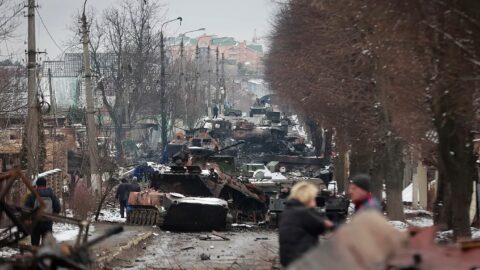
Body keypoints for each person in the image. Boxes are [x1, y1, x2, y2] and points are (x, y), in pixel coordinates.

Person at [279, 182, 334, 267]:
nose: (315, 200)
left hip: (289, 259)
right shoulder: (303, 212)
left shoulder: (289, 211)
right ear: (307, 197)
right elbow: (321, 226)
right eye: (313, 197)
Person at [24, 177, 61, 246]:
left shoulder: (33, 195)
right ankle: (44, 255)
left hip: (36, 223)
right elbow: (57, 207)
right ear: (45, 185)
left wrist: (28, 219)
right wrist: (53, 214)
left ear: (37, 185)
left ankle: (35, 255)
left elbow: (26, 208)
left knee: (35, 244)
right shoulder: (51, 194)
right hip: (48, 222)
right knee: (46, 245)